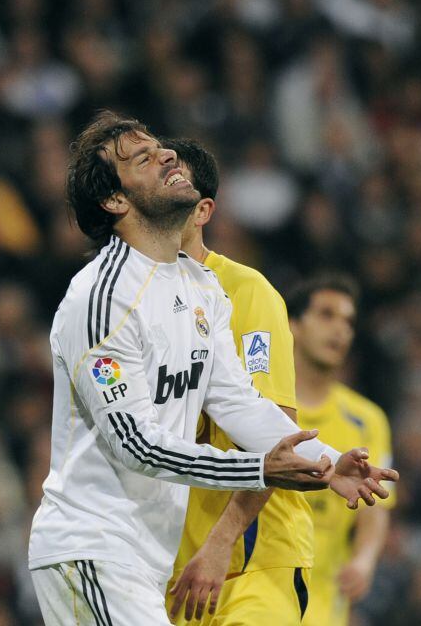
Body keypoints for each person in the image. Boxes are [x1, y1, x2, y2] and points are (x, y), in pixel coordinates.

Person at [26, 110, 397, 626]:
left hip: (147, 559)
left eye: (161, 149)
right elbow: (134, 442)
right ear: (115, 201)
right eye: (143, 158)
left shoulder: (200, 290)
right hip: (92, 547)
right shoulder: (101, 297)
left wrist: (327, 465)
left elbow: (239, 402)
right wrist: (258, 469)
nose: (168, 156)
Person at [165, 138, 315, 624]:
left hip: (250, 562)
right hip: (174, 568)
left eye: (176, 180)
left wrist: (222, 540)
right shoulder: (131, 300)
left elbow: (277, 437)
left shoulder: (246, 292)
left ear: (203, 210)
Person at [288, 274, 395, 626]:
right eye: (326, 314)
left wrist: (364, 560)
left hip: (324, 602)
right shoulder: (262, 408)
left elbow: (377, 506)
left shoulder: (367, 420)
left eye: (348, 321)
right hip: (251, 586)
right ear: (293, 326)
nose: (340, 330)